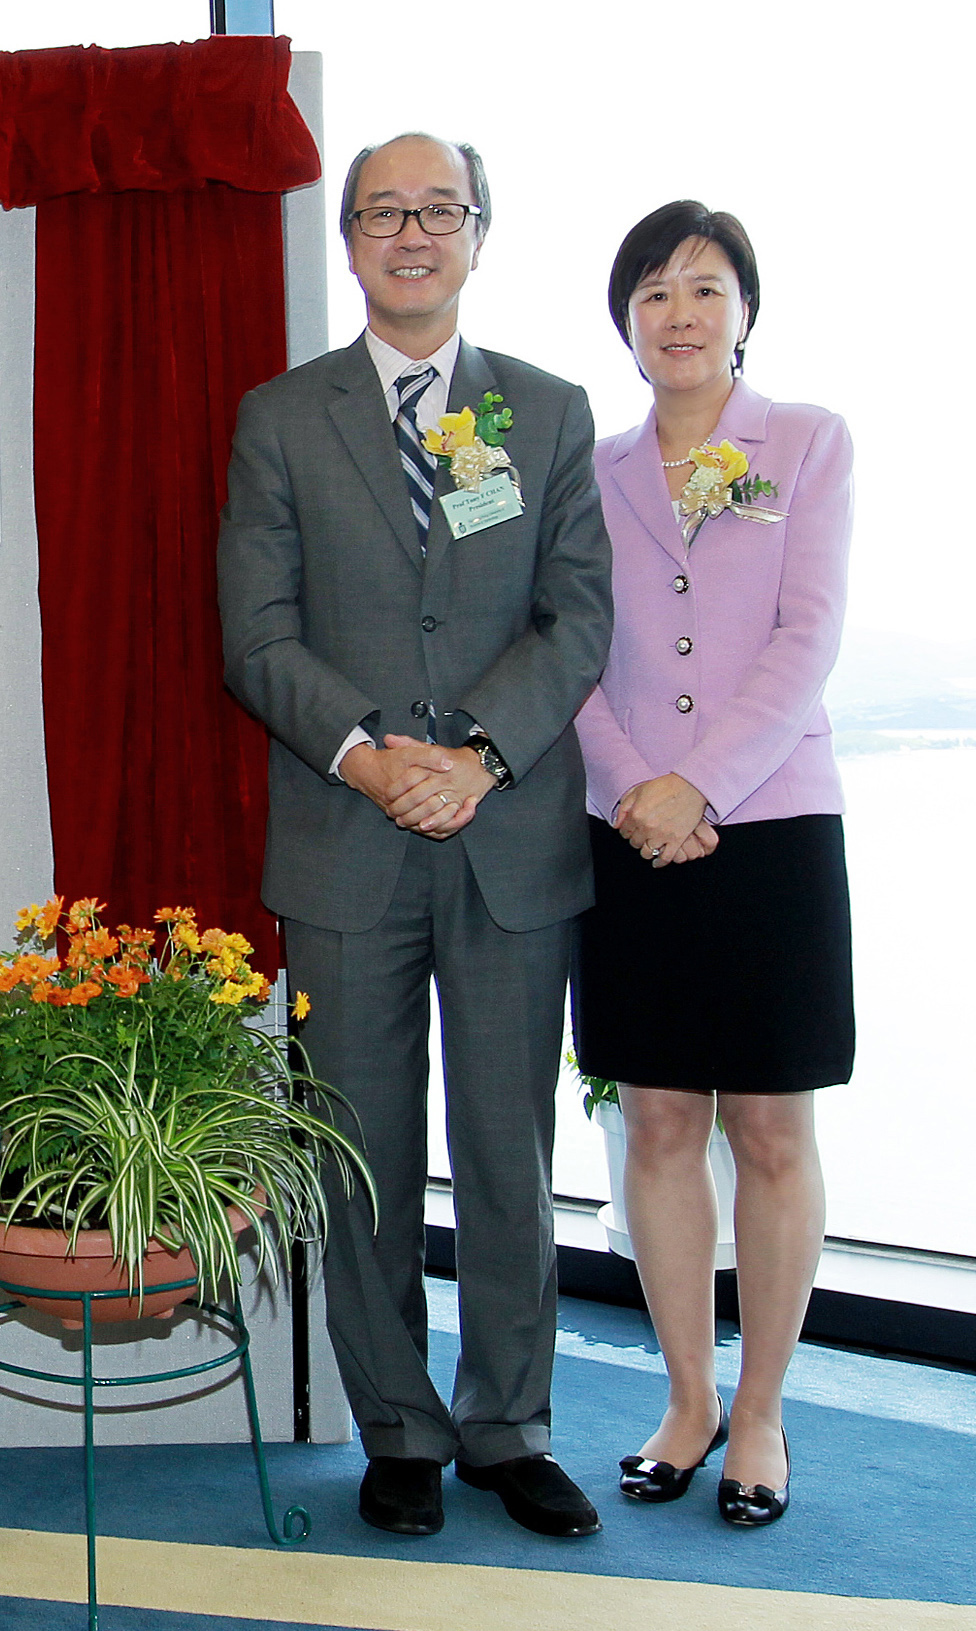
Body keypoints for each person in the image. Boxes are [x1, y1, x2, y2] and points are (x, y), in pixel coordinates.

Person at [217, 133, 615, 1539]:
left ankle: (509, 1423)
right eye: (382, 212)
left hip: (507, 843)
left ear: (478, 232)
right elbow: (254, 636)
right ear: (348, 241)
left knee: (509, 1151)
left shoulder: (551, 413)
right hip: (345, 837)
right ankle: (397, 1426)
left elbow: (579, 621)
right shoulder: (282, 416)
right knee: (359, 1150)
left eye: (436, 209)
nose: (411, 233)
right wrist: (377, 760)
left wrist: (479, 757)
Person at [574, 202, 851, 1529]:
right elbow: (563, 649)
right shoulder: (587, 467)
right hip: (629, 827)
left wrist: (706, 788)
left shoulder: (807, 445)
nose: (679, 314)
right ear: (625, 323)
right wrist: (639, 788)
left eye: (705, 288)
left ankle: (762, 1415)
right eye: (654, 293)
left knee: (772, 1127)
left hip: (776, 822)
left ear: (746, 309)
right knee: (663, 1119)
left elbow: (807, 639)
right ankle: (686, 1399)